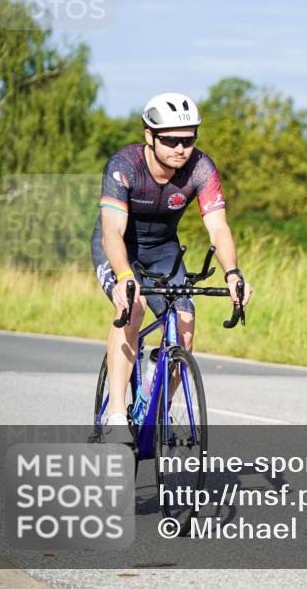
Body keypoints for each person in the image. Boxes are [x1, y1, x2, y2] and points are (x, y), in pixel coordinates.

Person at [91, 92, 252, 439]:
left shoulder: (201, 168)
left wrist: (233, 272)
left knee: (186, 324)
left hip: (163, 251)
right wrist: (123, 277)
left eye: (189, 139)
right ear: (149, 136)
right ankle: (117, 414)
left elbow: (219, 228)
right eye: (171, 140)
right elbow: (112, 233)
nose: (181, 148)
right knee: (132, 308)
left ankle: (155, 398)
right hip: (120, 248)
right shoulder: (124, 165)